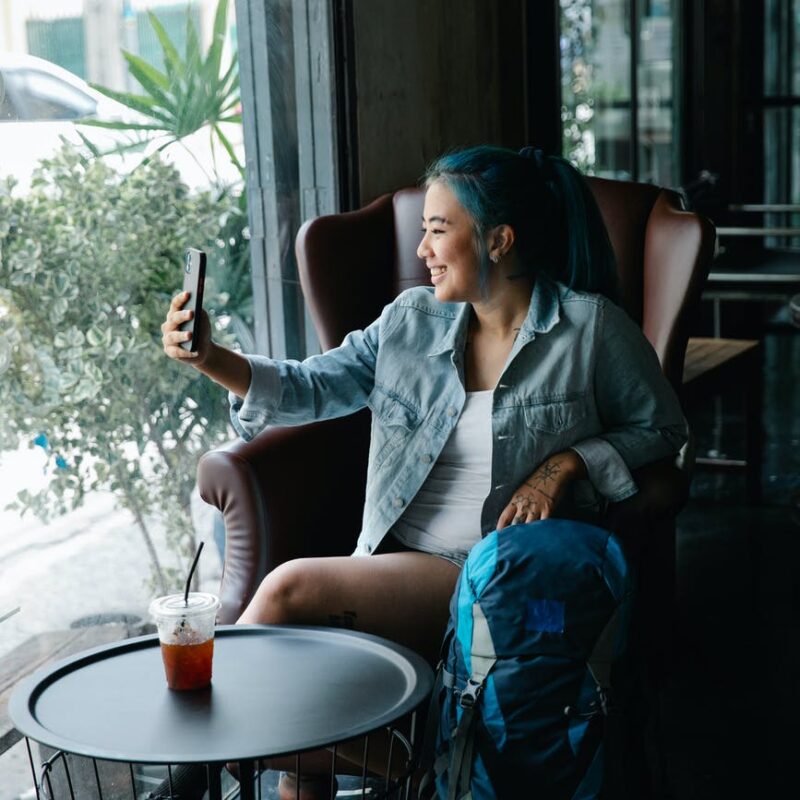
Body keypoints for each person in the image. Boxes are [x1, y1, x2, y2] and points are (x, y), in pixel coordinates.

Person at [155, 145, 687, 799]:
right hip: (397, 565)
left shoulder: (590, 329)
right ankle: (420, 765)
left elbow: (663, 434)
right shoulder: (409, 322)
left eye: (440, 230)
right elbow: (309, 388)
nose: (422, 250)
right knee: (296, 727)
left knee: (290, 593)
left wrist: (566, 464)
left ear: (499, 239)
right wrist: (211, 355)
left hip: (503, 582)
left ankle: (196, 760)